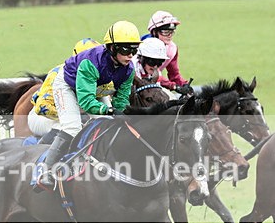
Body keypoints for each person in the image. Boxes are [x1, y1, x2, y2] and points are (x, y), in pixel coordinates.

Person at [31, 20, 140, 190]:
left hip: (93, 86)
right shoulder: (92, 62)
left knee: (109, 124)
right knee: (72, 127)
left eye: (134, 50)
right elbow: (86, 101)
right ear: (112, 47)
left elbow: (121, 100)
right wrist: (108, 109)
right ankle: (46, 172)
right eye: (126, 49)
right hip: (67, 85)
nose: (130, 55)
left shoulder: (128, 69)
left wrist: (121, 112)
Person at [145, 10, 193, 96]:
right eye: (165, 32)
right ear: (154, 32)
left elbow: (174, 75)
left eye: (171, 31)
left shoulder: (172, 48)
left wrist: (183, 84)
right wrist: (174, 86)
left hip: (153, 85)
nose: (169, 35)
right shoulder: (145, 47)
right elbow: (151, 74)